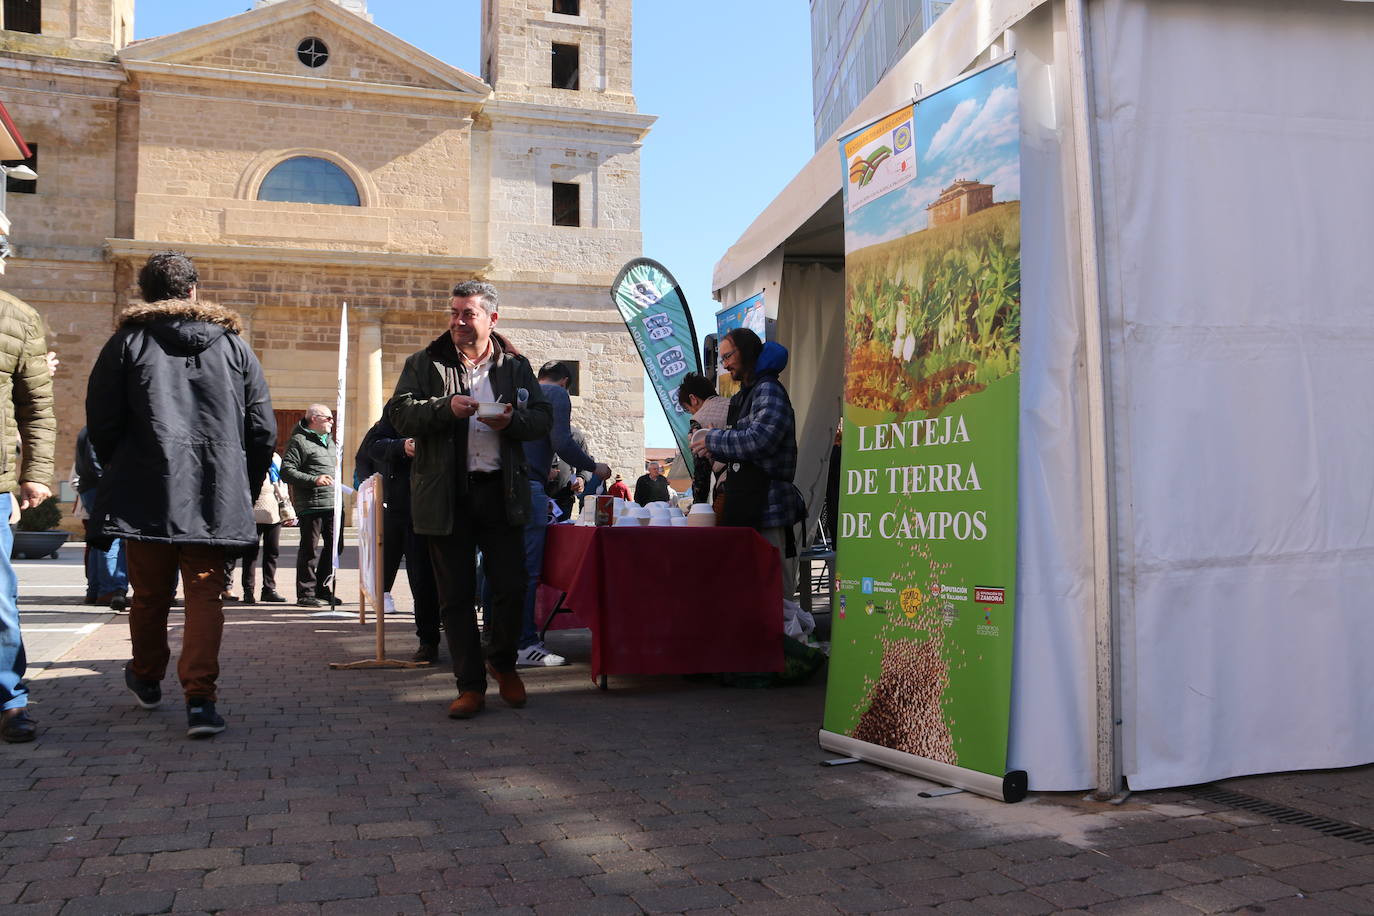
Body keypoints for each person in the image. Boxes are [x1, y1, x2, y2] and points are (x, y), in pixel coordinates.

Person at [86, 250, 275, 738]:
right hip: (215, 488)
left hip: (147, 485)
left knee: (149, 593)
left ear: (145, 294)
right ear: (194, 290)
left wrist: (123, 467)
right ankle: (199, 699)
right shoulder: (235, 348)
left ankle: (147, 677)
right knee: (204, 595)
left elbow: (101, 423)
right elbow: (261, 429)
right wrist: (244, 483)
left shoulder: (126, 343)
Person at [387, 280, 552, 719]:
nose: (459, 321)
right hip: (447, 496)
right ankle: (470, 685)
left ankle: (501, 661)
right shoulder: (424, 363)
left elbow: (540, 420)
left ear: (491, 319)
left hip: (501, 492)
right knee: (455, 597)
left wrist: (512, 420)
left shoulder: (515, 367)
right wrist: (445, 408)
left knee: (511, 587)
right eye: (455, 313)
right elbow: (398, 413)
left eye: (468, 314)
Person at [689, 328, 812, 639]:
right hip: (751, 506)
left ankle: (784, 663)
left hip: (770, 509)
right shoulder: (747, 394)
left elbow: (762, 438)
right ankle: (762, 660)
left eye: (729, 356)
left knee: (777, 596)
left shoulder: (768, 390)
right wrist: (714, 444)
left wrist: (712, 438)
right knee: (755, 591)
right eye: (722, 358)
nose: (725, 364)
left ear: (746, 352)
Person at [510, 360, 610, 667]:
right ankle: (524, 644)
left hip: (498, 485)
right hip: (528, 487)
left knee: (499, 567)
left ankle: (497, 636)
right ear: (566, 381)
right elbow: (562, 443)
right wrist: (595, 467)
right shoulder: (555, 395)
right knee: (527, 570)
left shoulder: (514, 393)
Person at [0, 299, 55, 743]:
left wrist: (35, 474)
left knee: (0, 600)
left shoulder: (18, 317)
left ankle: (10, 701)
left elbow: (36, 406)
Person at [358, 416, 441, 663]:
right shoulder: (398, 408)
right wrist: (401, 446)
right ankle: (428, 639)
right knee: (420, 576)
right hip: (403, 506)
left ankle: (459, 636)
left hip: (448, 501)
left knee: (446, 578)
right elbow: (370, 449)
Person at [282, 404, 338, 607]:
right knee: (309, 549)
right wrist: (313, 479)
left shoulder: (330, 442)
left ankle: (323, 589)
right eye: (328, 418)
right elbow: (286, 471)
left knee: (335, 547)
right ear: (314, 419)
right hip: (311, 505)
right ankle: (306, 592)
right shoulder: (299, 440)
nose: (332, 421)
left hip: (333, 502)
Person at [226, 452, 295, 604]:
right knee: (250, 554)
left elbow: (282, 485)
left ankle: (269, 590)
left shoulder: (276, 458)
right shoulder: (248, 456)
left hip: (273, 512)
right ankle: (248, 591)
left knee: (272, 553)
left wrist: (288, 510)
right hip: (252, 512)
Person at [74, 426, 128, 610]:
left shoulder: (89, 429)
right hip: (100, 487)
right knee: (112, 537)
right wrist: (108, 482)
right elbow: (95, 461)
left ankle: (96, 590)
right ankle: (109, 589)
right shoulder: (96, 430)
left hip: (93, 487)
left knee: (100, 537)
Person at [676, 371, 729, 506]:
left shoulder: (698, 421)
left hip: (728, 488)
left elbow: (702, 472)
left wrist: (697, 506)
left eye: (688, 409)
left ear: (693, 399)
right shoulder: (735, 404)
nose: (692, 413)